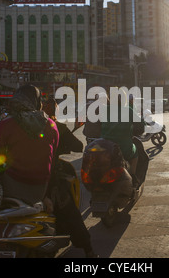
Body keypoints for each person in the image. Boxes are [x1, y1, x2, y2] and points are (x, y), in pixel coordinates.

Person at [43, 98, 98, 258]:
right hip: (46, 179)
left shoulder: (14, 124)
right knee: (70, 212)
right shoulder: (54, 126)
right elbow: (77, 146)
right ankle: (88, 250)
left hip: (16, 179)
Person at [0, 84, 58, 206]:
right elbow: (52, 160)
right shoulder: (51, 125)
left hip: (11, 189)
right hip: (40, 189)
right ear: (38, 102)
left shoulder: (6, 124)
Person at [100, 92, 145, 183]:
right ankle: (132, 177)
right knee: (135, 152)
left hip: (105, 147)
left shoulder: (104, 109)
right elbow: (140, 125)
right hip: (123, 148)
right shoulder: (128, 110)